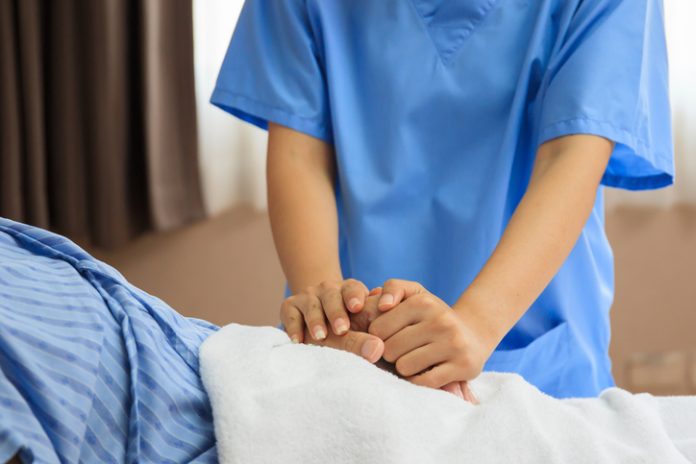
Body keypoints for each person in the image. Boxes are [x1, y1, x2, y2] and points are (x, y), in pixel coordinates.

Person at [211, 0, 673, 398]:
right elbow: (299, 155)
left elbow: (570, 157)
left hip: (532, 355)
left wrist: (477, 325)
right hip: (354, 348)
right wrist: (330, 314)